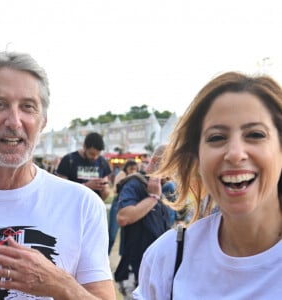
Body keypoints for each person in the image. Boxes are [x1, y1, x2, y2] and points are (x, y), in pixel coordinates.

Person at [133, 71, 282, 299]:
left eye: (255, 134)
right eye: (216, 137)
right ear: (197, 156)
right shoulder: (168, 258)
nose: (235, 154)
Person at [0, 48, 115, 299]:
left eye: (27, 107)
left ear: (42, 121)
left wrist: (61, 284)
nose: (14, 121)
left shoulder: (82, 204)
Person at [114, 145, 171, 297]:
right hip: (135, 268)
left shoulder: (162, 189)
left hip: (155, 268)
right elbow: (123, 217)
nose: (171, 176)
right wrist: (152, 198)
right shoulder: (135, 184)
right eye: (170, 167)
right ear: (154, 162)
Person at [57, 132, 112, 201]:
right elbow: (61, 189)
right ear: (84, 146)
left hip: (92, 206)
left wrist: (104, 189)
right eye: (92, 154)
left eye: (98, 154)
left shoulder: (102, 162)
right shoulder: (69, 160)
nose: (95, 157)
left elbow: (105, 194)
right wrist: (86, 186)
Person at [108, 159, 139, 254]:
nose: (133, 171)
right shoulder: (122, 174)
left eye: (135, 169)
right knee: (112, 234)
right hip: (118, 203)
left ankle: (123, 257)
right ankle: (106, 254)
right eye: (131, 168)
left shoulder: (136, 177)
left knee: (126, 235)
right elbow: (115, 190)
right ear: (127, 168)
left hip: (129, 204)